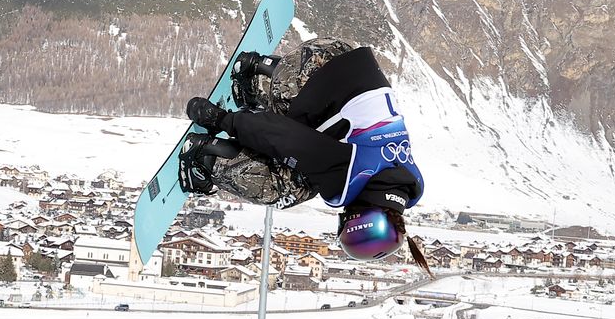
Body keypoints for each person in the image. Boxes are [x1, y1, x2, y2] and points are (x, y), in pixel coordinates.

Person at [180, 38, 430, 271]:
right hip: (306, 71)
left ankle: (257, 74)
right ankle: (206, 157)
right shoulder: (350, 174)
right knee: (288, 188)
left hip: (328, 53)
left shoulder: (406, 181)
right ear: (358, 222)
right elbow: (285, 138)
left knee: (314, 147)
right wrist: (223, 120)